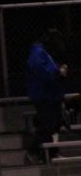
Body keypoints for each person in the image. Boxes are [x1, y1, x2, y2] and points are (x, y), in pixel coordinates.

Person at [26, 29, 68, 162]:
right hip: (44, 95)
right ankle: (32, 151)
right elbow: (43, 71)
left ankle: (52, 152)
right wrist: (58, 72)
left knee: (54, 124)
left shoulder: (45, 53)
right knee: (48, 124)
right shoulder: (38, 52)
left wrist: (60, 72)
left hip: (51, 95)